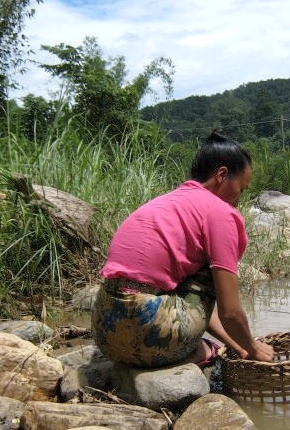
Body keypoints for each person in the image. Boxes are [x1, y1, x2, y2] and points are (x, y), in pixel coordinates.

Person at [92, 131, 274, 368]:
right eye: (241, 189)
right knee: (210, 269)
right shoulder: (220, 212)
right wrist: (252, 347)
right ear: (222, 174)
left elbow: (191, 297)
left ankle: (187, 348)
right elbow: (228, 311)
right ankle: (194, 352)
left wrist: (239, 347)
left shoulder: (168, 202)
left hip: (105, 334)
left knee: (192, 272)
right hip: (145, 327)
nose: (239, 200)